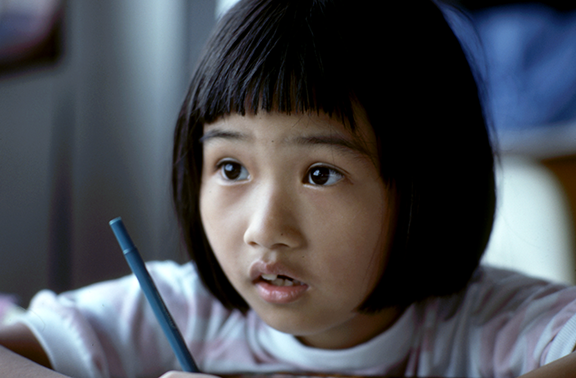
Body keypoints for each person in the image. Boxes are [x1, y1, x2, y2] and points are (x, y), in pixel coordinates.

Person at [1, 0, 576, 377]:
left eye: (320, 174)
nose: (263, 229)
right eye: (231, 169)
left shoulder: (490, 328)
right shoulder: (180, 312)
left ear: (426, 186)